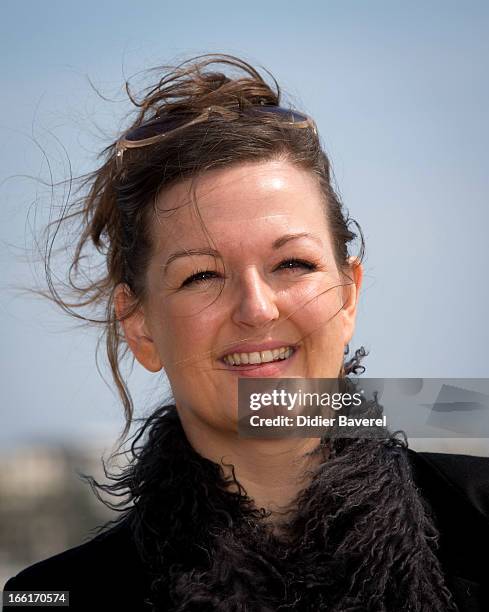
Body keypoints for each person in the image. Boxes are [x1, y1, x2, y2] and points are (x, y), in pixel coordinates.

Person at [3, 54, 488, 611]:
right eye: (201, 275)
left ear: (350, 293)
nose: (256, 309)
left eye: (293, 265)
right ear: (139, 326)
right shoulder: (57, 598)